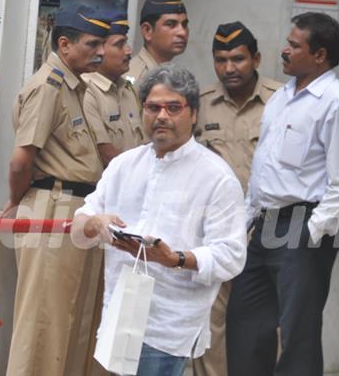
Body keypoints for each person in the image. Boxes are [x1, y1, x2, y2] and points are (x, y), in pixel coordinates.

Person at [72, 64, 248, 376]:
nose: (162, 116)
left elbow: (232, 255)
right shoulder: (124, 166)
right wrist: (96, 224)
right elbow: (81, 221)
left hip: (170, 323)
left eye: (173, 107)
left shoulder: (216, 177)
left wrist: (175, 259)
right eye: (153, 107)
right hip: (118, 314)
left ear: (193, 113)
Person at [226, 12, 339, 376]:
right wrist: (242, 224)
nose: (284, 51)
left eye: (294, 45)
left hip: (303, 228)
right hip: (263, 226)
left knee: (297, 337)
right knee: (245, 326)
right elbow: (263, 172)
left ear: (319, 55)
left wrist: (311, 233)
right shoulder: (282, 97)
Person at [3, 5, 111, 376]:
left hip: (77, 207)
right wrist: (16, 203)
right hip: (52, 205)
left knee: (75, 318)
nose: (100, 52)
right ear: (65, 45)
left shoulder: (76, 86)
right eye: (92, 44)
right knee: (44, 320)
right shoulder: (48, 86)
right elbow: (21, 160)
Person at [193, 21, 281, 376]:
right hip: (214, 231)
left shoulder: (281, 101)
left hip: (267, 232)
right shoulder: (199, 103)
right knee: (211, 321)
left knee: (265, 326)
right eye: (221, 59)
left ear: (256, 58)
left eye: (238, 59)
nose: (229, 68)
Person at [83, 11, 144, 166]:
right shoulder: (86, 90)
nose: (129, 51)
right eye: (119, 44)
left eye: (126, 43)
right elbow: (105, 154)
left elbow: (146, 146)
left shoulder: (128, 90)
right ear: (99, 50)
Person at [127, 0, 189, 84]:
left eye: (184, 24)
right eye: (171, 24)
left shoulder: (173, 74)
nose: (182, 32)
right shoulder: (135, 79)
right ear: (147, 31)